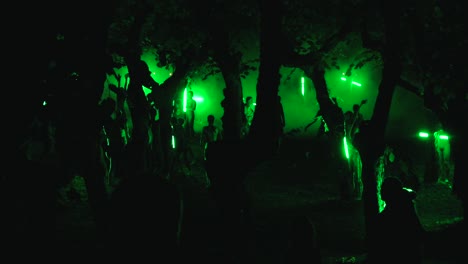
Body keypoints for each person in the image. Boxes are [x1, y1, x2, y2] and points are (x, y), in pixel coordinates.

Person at [366, 177, 425, 264]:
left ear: (390, 192)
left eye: (383, 188)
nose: (380, 190)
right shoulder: (407, 206)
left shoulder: (390, 215)